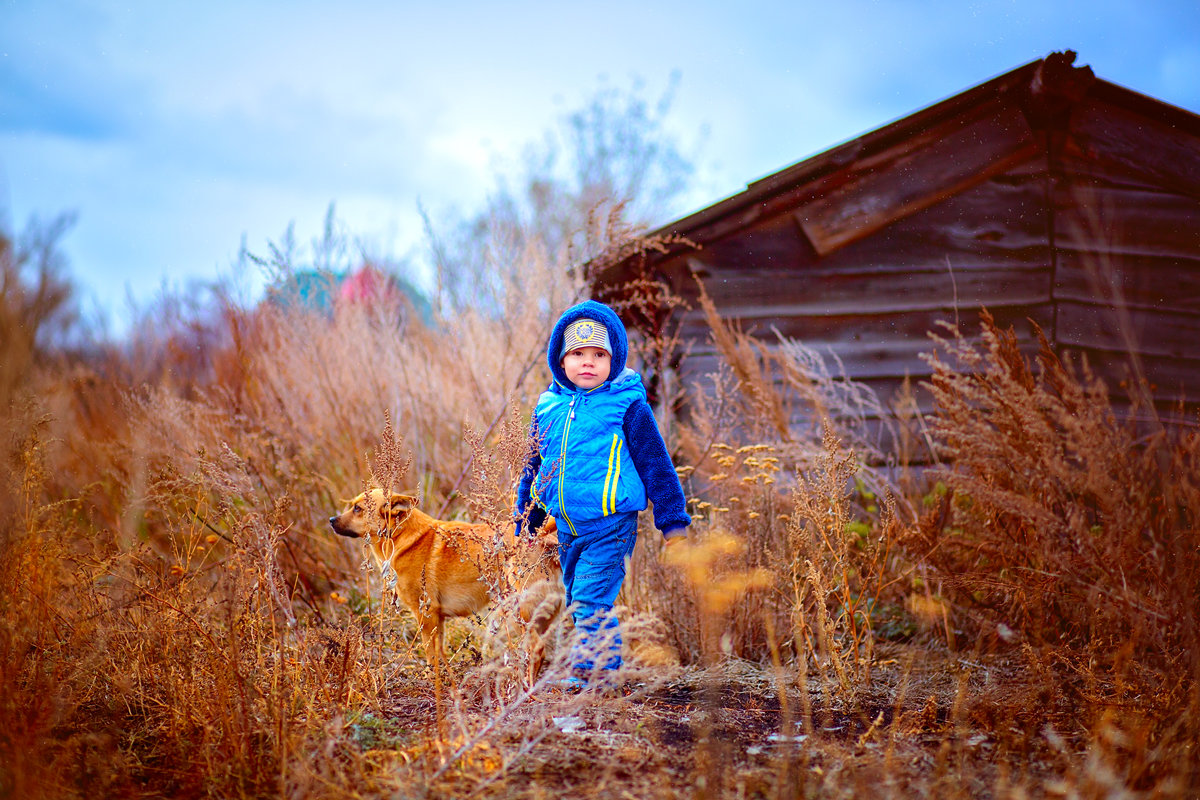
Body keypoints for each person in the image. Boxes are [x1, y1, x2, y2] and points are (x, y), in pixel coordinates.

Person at [515, 299, 690, 688]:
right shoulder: (548, 407)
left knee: (592, 598)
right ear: (561, 361)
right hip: (567, 527)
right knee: (580, 599)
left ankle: (591, 676)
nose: (588, 362)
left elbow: (656, 464)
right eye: (578, 354)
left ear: (615, 359)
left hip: (611, 524)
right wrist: (527, 517)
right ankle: (604, 672)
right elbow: (534, 465)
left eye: (599, 354)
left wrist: (673, 524)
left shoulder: (627, 405)